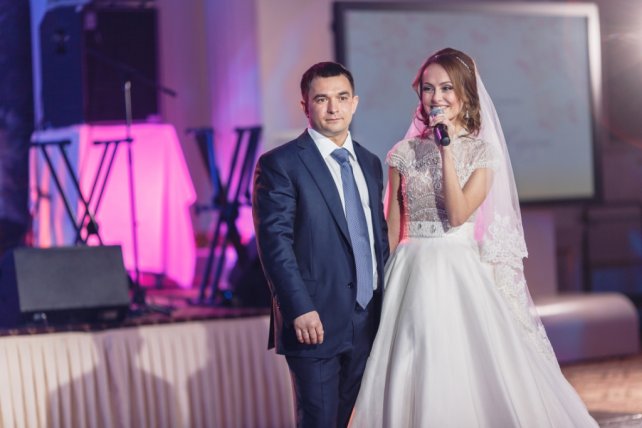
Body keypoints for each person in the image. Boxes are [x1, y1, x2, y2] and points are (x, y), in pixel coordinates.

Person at [349, 48, 598, 427]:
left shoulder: (483, 154)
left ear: (464, 93)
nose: (436, 97)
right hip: (409, 272)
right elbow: (391, 229)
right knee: (409, 363)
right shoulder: (402, 153)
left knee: (463, 365)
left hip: (458, 269)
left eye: (446, 88)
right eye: (428, 88)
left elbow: (458, 213)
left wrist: (447, 151)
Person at [252, 61, 389, 427]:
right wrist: (299, 308)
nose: (333, 108)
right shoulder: (281, 164)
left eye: (342, 97)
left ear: (355, 102)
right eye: (321, 99)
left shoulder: (370, 163)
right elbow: (275, 244)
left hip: (368, 319)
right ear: (305, 106)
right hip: (314, 320)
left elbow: (377, 238)